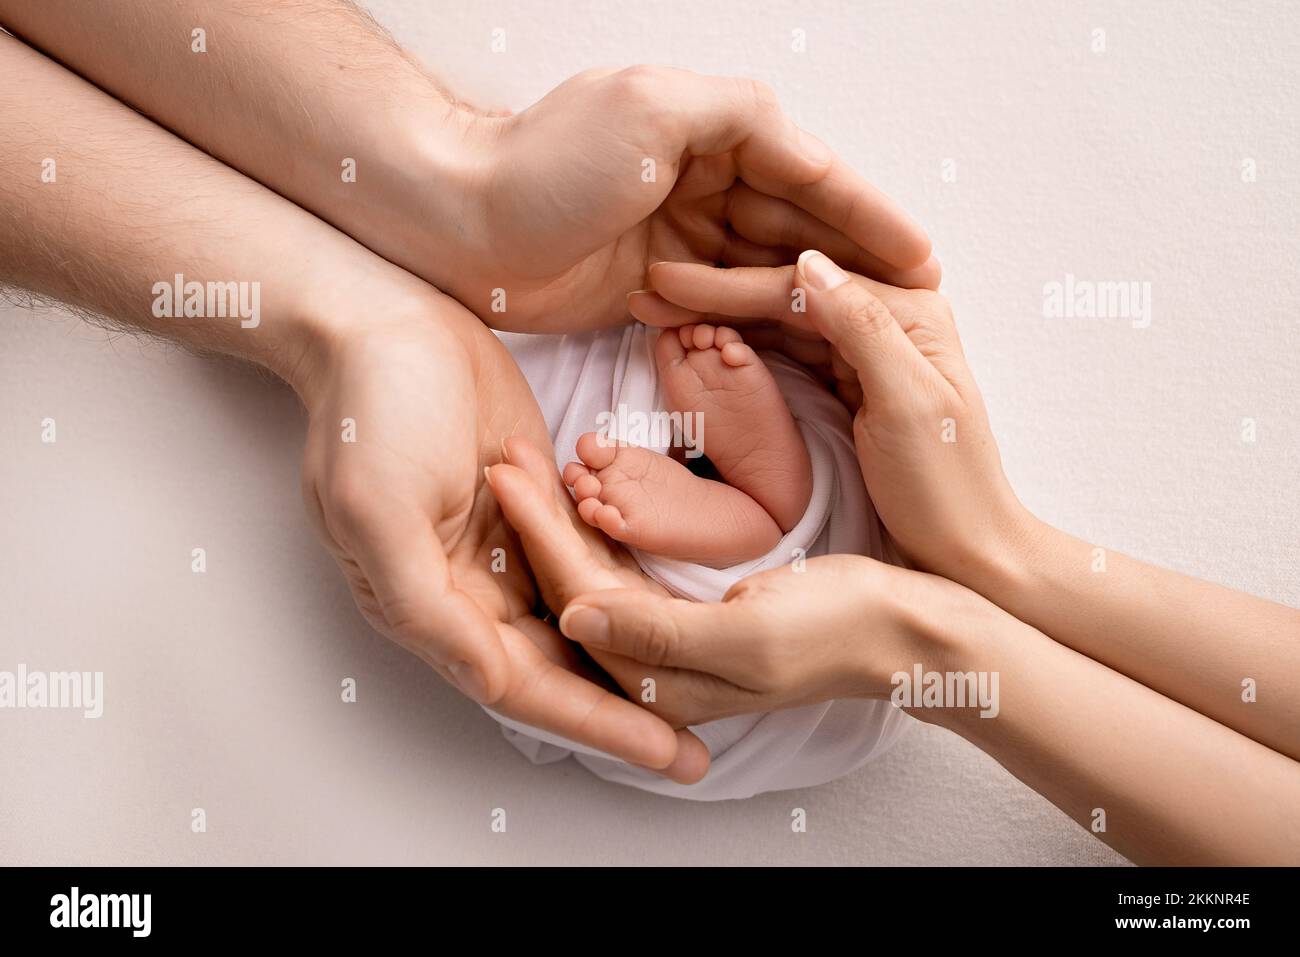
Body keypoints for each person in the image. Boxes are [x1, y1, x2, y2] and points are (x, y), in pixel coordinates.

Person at [0, 2, 934, 783]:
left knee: (706, 640)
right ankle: (766, 502)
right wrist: (457, 189)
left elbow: (601, 698)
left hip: (542, 508)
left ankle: (743, 521)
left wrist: (403, 259)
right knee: (801, 552)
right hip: (606, 383)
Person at [482, 250, 1300, 864]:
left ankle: (765, 516)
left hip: (810, 640)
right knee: (743, 562)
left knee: (625, 634)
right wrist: (987, 555)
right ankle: (771, 515)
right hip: (843, 621)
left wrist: (954, 600)